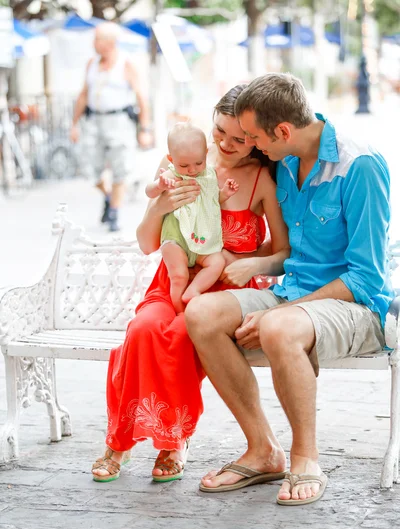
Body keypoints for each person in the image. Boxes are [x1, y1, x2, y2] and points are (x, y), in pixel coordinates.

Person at [185, 73, 393, 506]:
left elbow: (365, 277)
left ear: (282, 131)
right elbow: (289, 253)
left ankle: (305, 460)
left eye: (256, 138)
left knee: (279, 327)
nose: (252, 147)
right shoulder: (282, 161)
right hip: (292, 292)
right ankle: (263, 450)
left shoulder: (360, 166)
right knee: (202, 314)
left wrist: (284, 311)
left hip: (354, 305)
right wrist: (257, 263)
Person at [91, 84, 290, 484]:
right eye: (220, 131)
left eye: (240, 138)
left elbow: (283, 252)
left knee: (182, 334)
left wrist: (245, 262)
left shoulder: (261, 180)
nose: (227, 144)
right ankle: (119, 439)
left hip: (224, 292)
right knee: (143, 328)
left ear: (254, 136)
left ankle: (173, 440)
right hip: (171, 282)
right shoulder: (185, 160)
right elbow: (148, 243)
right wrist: (160, 208)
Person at [146, 122, 239, 313]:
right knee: (178, 276)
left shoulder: (210, 174)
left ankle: (193, 290)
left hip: (203, 238)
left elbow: (212, 200)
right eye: (184, 165)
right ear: (172, 159)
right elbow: (149, 192)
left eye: (198, 163)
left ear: (206, 153)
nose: (192, 170)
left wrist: (225, 193)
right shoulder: (171, 173)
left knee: (217, 262)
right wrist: (160, 185)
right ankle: (179, 310)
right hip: (177, 238)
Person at [70, 22, 152, 232]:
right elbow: (83, 94)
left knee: (120, 168)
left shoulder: (125, 63)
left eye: (97, 39)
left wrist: (145, 129)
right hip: (94, 121)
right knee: (90, 168)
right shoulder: (91, 64)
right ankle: (108, 196)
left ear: (110, 42)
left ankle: (114, 212)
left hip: (119, 121)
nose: (93, 44)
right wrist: (74, 124)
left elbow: (141, 97)